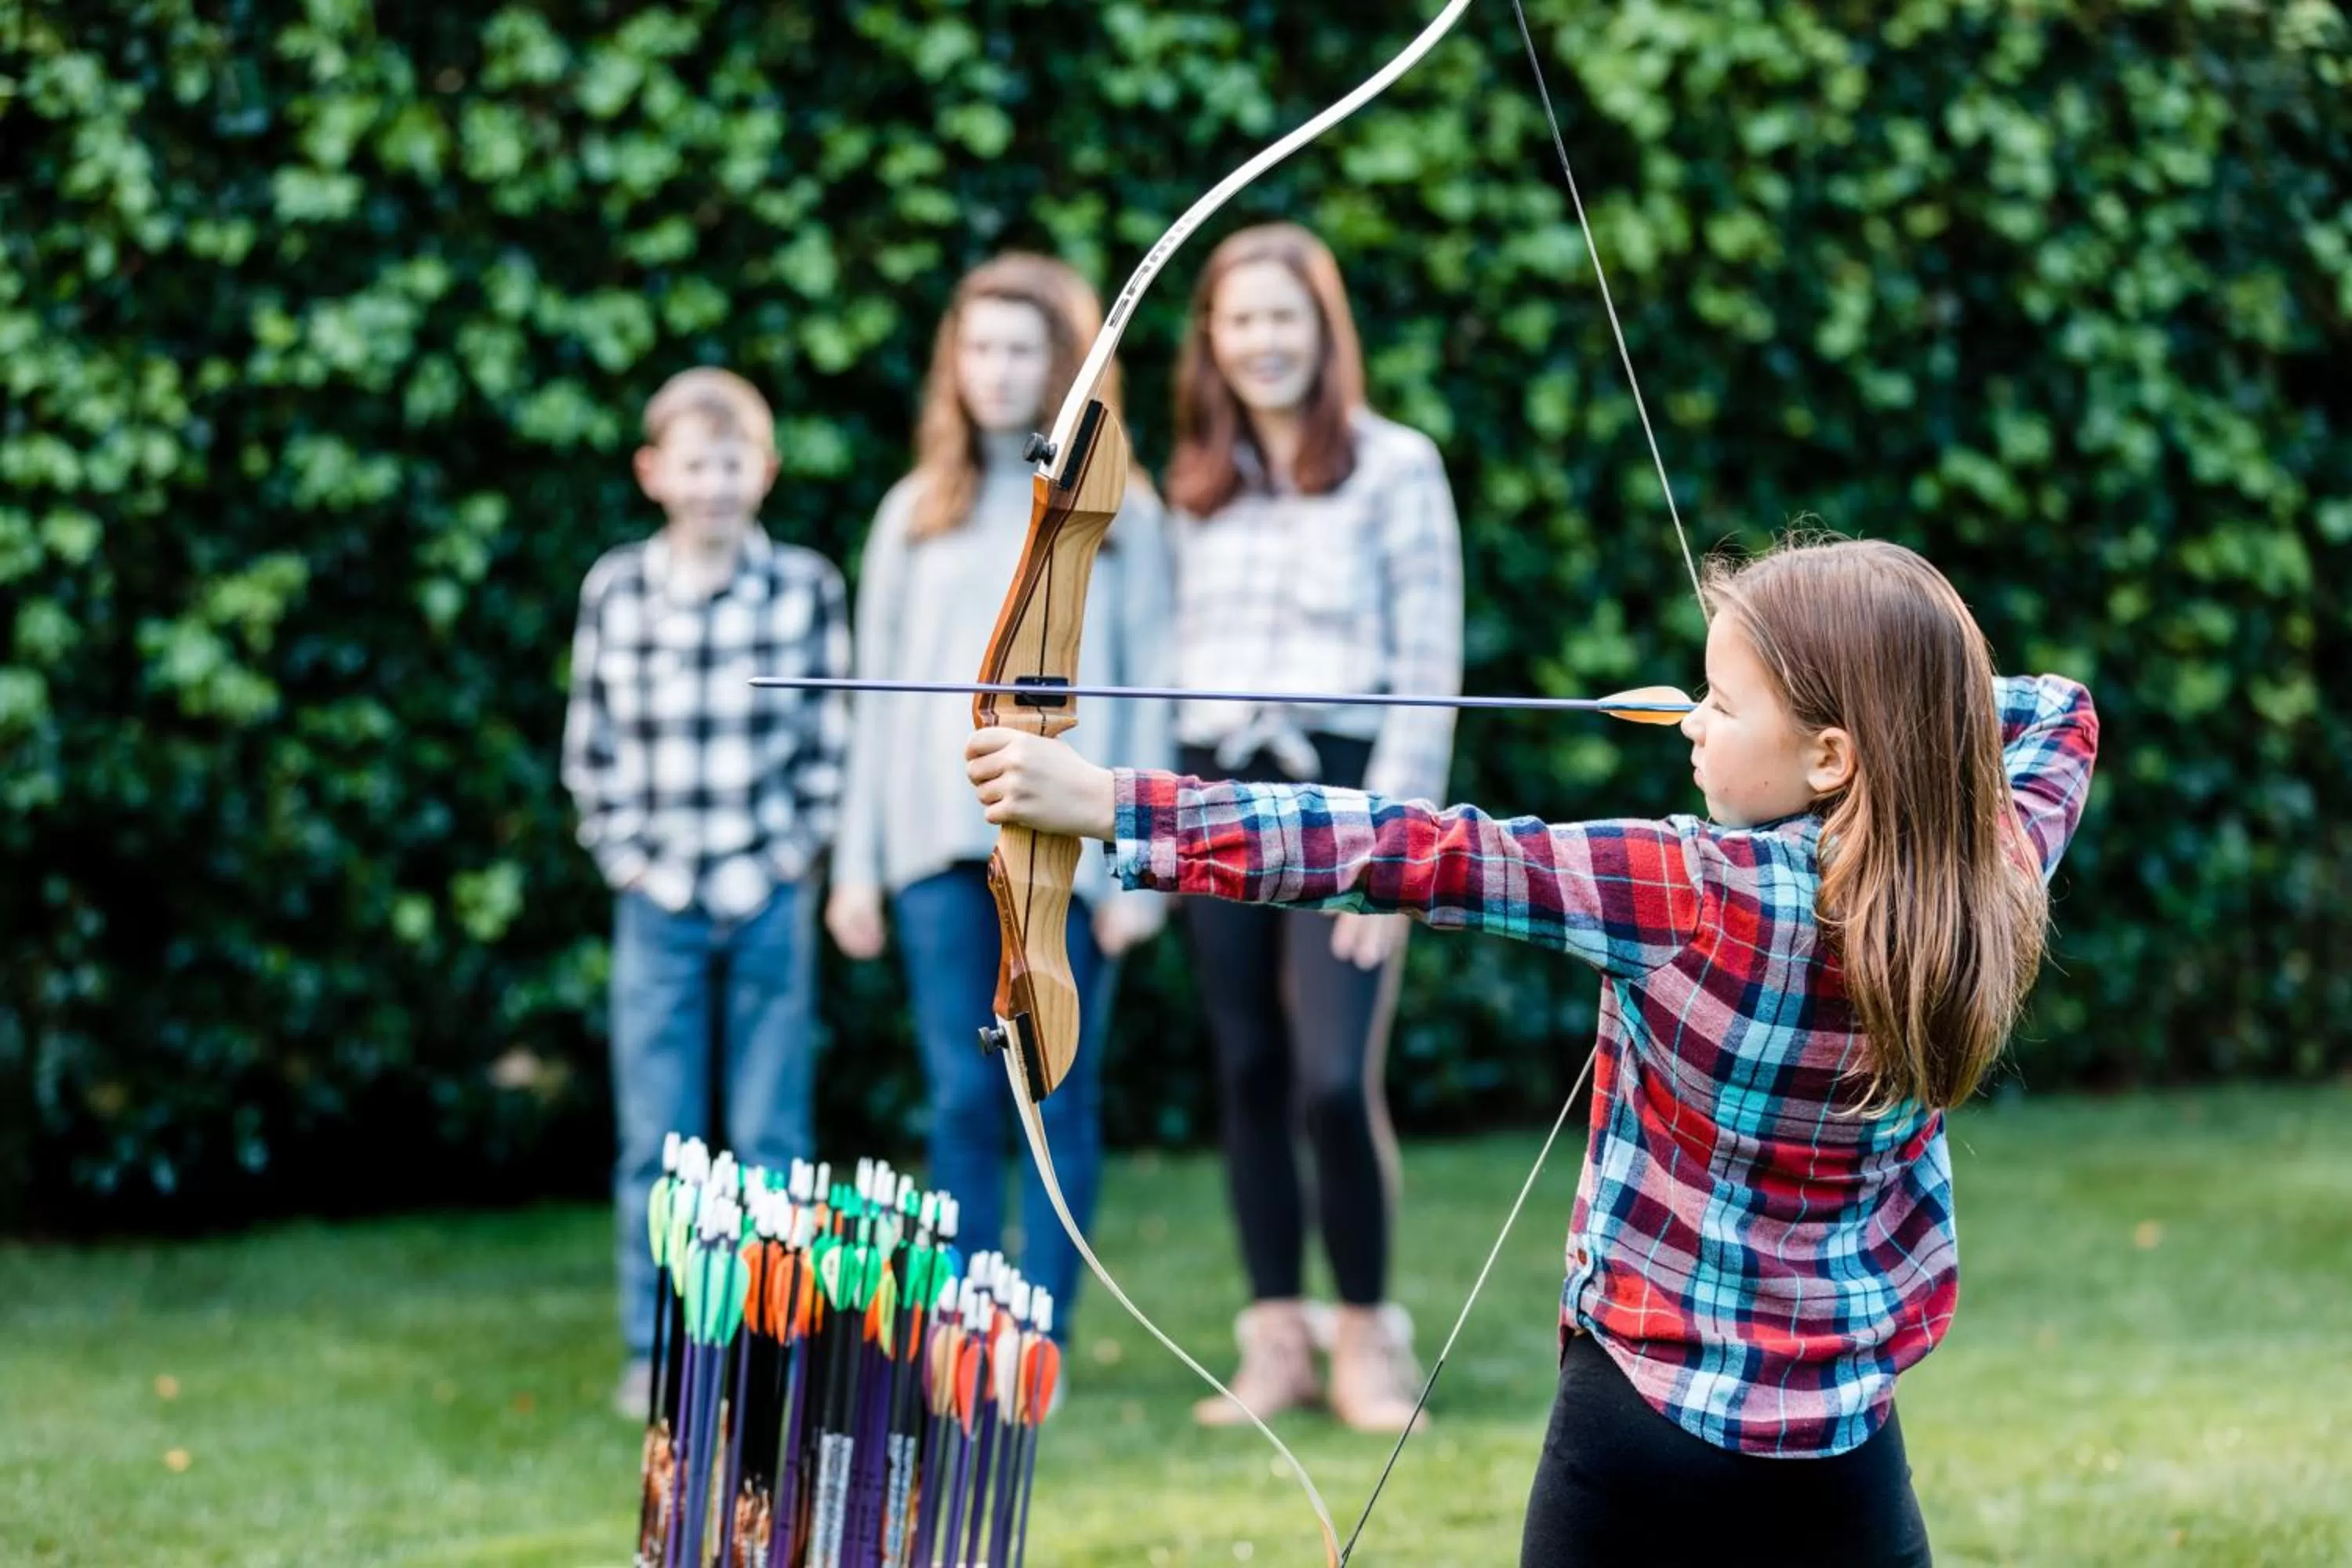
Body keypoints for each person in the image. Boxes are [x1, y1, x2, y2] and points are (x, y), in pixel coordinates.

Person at [964, 535, 2100, 1566]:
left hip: (1640, 1421)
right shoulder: (1988, 880)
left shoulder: (1689, 888)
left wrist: (1114, 802)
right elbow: (2059, 711)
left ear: (1830, 756)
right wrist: (1917, 706)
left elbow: (1415, 852)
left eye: (1721, 702)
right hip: (1840, 1430)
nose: (1694, 720)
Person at [826, 252, 1172, 1349]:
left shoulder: (1119, 511)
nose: (997, 367)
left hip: (1070, 850)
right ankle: (964, 1331)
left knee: (1055, 1096)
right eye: (977, 346)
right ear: (952, 365)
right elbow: (873, 701)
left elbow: (1152, 680)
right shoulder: (912, 512)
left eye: (1022, 347)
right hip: (934, 851)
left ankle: (1041, 1339)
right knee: (963, 1099)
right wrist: (856, 865)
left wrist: (1140, 861)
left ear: (1062, 364)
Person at [1159, 221, 1464, 1433]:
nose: (1263, 342)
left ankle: (1366, 1342)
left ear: (1323, 330)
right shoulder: (1189, 484)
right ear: (1213, 341)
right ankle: (1275, 1335)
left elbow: (1430, 665)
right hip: (1212, 791)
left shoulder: (1397, 465)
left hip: (1348, 796)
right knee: (1248, 1069)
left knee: (1335, 1078)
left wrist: (1401, 854)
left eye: (1285, 316)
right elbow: (1150, 660)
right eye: (1240, 320)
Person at [561, 367, 849, 1415]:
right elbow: (589, 750)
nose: (715, 483)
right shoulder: (617, 590)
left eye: (734, 463)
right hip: (661, 900)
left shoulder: (806, 587)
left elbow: (828, 745)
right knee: (661, 1141)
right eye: (695, 464)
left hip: (767, 891)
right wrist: (632, 862)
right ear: (654, 475)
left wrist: (789, 862)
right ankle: (658, 1344)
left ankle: (771, 1341)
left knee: (773, 1136)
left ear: (763, 471)